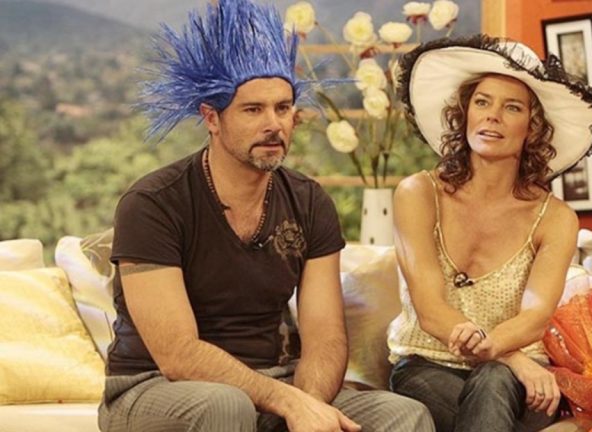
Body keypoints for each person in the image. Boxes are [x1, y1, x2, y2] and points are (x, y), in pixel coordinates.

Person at [97, 1, 434, 431]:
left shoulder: (309, 202)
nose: (274, 124)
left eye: (283, 108)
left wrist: (306, 407)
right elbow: (177, 355)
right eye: (253, 110)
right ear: (211, 118)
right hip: (153, 387)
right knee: (225, 405)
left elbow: (326, 338)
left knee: (403, 414)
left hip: (272, 383)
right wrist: (286, 402)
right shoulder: (153, 203)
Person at [387, 35, 592, 432]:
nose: (492, 116)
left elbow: (536, 317)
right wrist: (508, 356)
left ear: (532, 128)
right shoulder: (418, 194)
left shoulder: (555, 218)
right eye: (482, 102)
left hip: (522, 381)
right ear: (464, 114)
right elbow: (429, 309)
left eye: (512, 107)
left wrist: (500, 355)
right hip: (427, 365)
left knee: (493, 380)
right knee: (492, 385)